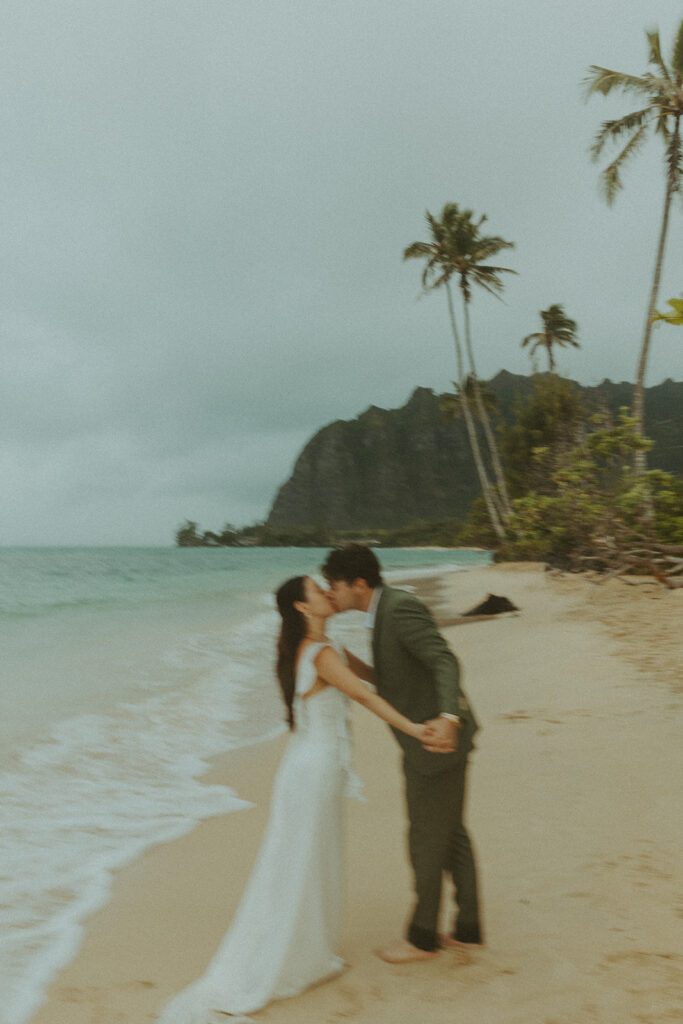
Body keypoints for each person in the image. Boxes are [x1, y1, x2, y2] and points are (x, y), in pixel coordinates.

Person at [158, 575, 430, 1024]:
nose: (327, 591)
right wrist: (416, 730)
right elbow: (364, 695)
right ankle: (293, 957)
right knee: (301, 861)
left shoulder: (320, 649)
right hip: (312, 772)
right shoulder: (320, 654)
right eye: (317, 590)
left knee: (304, 861)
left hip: (308, 768)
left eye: (327, 585)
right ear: (303, 608)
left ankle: (306, 951)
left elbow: (378, 677)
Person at [322, 544, 483, 964]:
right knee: (451, 834)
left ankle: (423, 938)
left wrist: (449, 717)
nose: (329, 593)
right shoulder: (382, 613)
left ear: (358, 583)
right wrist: (358, 669)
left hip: (436, 740)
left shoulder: (399, 609)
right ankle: (468, 929)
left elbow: (444, 660)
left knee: (425, 839)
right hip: (433, 739)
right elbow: (401, 675)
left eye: (333, 585)